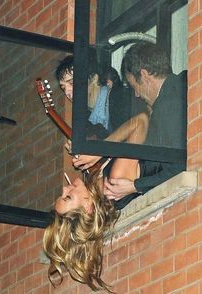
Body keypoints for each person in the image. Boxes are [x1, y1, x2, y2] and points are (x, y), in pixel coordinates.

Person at [43, 111, 149, 292]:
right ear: (87, 208)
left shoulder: (94, 181)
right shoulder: (114, 180)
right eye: (68, 197)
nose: (64, 189)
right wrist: (101, 149)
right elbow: (140, 121)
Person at [73, 42, 187, 204]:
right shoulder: (185, 82)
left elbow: (184, 164)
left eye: (134, 86)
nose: (137, 94)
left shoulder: (167, 106)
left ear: (145, 76)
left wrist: (136, 186)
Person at [55, 54, 108, 139]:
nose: (67, 91)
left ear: (94, 78)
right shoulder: (83, 119)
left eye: (72, 83)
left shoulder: (116, 97)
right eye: (63, 87)